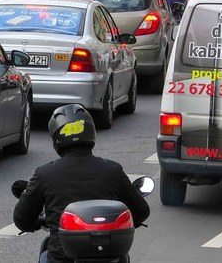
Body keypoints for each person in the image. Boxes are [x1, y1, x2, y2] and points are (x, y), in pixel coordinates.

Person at [13, 105, 151, 263]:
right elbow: (141, 211)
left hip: (61, 259)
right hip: (112, 258)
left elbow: (22, 219)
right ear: (90, 131)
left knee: (45, 256)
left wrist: (36, 222)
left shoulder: (45, 174)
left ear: (56, 136)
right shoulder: (113, 170)